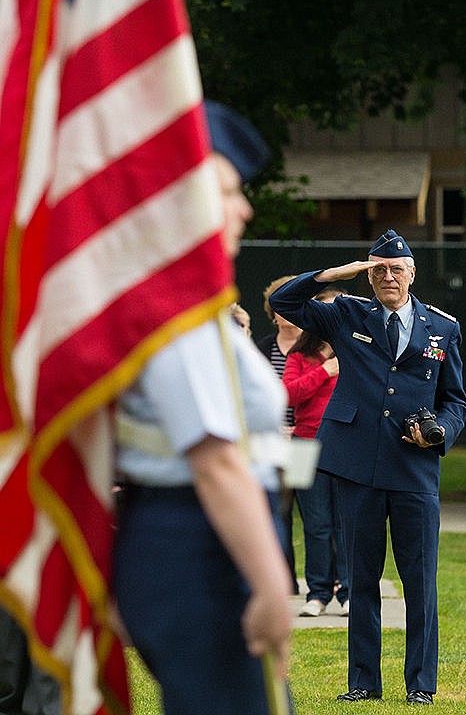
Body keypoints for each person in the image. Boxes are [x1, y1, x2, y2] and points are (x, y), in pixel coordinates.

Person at [112, 101, 293, 715]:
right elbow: (216, 464)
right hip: (196, 547)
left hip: (205, 539)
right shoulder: (176, 316)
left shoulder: (194, 305)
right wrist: (272, 586)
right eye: (227, 191)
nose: (244, 207)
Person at [269, 229, 466, 705]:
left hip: (414, 469)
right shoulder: (346, 314)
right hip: (356, 465)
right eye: (378, 269)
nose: (387, 277)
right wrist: (337, 274)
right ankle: (363, 682)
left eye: (396, 269)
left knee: (420, 582)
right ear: (368, 275)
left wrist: (438, 431)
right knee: (361, 578)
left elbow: (455, 401)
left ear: (412, 273)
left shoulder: (443, 327)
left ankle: (420, 685)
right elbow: (283, 299)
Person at [282, 286, 349, 617]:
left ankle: (348, 590)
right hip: (302, 445)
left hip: (344, 445)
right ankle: (318, 593)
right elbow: (287, 395)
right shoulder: (299, 355)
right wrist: (324, 371)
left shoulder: (354, 349)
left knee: (347, 520)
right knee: (314, 522)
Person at [257, 278, 302, 594]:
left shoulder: (316, 347)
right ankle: (283, 580)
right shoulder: (261, 348)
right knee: (279, 510)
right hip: (271, 441)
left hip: (304, 440)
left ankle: (324, 583)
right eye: (278, 307)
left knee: (316, 517)